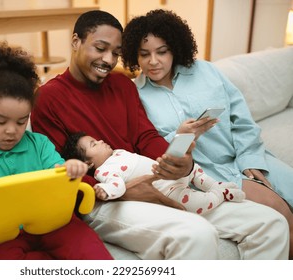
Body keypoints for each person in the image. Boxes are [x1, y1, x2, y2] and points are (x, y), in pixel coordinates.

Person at [31, 10, 289, 259]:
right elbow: (57, 171)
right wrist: (125, 190)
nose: (108, 60)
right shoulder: (48, 98)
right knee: (196, 234)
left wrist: (177, 160)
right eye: (100, 48)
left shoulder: (122, 85)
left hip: (153, 180)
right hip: (104, 199)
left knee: (271, 225)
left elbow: (146, 137)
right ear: (76, 41)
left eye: (116, 53)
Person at [121, 9, 293, 258]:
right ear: (134, 56)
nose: (153, 61)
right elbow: (153, 150)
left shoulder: (206, 71)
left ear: (175, 48)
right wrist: (180, 137)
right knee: (280, 213)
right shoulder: (135, 94)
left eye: (162, 51)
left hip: (248, 155)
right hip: (208, 174)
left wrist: (249, 160)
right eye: (144, 54)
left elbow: (242, 120)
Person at [0, 41, 113, 260]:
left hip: (52, 224)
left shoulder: (40, 144)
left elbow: (58, 172)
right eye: (0, 121)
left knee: (85, 244)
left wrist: (69, 169)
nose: (11, 131)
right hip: (0, 237)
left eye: (20, 121)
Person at [62, 132, 245, 215]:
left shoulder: (118, 152)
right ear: (88, 163)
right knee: (199, 205)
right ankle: (221, 194)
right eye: (94, 144)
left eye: (97, 139)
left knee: (195, 170)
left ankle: (214, 184)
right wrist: (104, 190)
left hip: (169, 173)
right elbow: (117, 186)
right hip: (168, 190)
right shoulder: (105, 171)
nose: (101, 141)